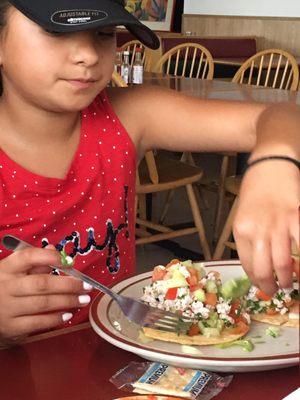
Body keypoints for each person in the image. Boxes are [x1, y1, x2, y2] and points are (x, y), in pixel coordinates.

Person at [0, 0, 299, 346]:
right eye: (56, 31)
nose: (88, 54)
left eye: (103, 33)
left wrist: (273, 165)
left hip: (122, 351)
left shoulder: (130, 115)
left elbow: (281, 117)